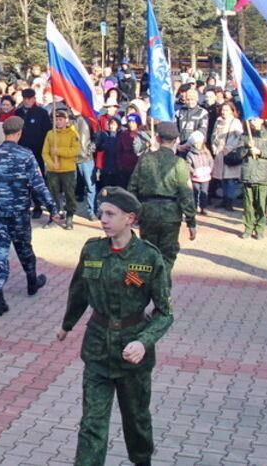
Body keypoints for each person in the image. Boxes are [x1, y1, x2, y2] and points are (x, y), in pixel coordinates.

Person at [56, 187, 173, 466]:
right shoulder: (93, 249)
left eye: (110, 214)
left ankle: (142, 460)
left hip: (132, 353)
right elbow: (79, 291)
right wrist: (67, 325)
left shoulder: (149, 257)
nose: (103, 219)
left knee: (137, 420)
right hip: (97, 349)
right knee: (92, 424)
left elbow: (165, 313)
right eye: (101, 213)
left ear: (129, 218)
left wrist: (144, 341)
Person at [0, 116, 59, 315]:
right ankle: (32, 281)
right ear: (19, 133)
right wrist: (52, 209)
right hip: (19, 211)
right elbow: (38, 184)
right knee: (24, 246)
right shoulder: (26, 155)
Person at [128, 121, 197, 267]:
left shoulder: (145, 159)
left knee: (147, 254)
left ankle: (150, 287)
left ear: (157, 139)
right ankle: (162, 286)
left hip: (147, 213)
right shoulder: (179, 163)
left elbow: (132, 188)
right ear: (175, 141)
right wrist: (191, 222)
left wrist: (131, 214)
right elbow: (186, 194)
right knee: (167, 256)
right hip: (170, 216)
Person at [15, 88, 53, 217]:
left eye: (29, 98)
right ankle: (25, 205)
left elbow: (48, 133)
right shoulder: (18, 112)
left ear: (34, 99)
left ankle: (38, 206)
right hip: (21, 151)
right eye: (25, 98)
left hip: (37, 153)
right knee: (22, 181)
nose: (27, 101)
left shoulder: (41, 113)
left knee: (36, 181)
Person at [240, 117, 267, 239]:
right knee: (248, 204)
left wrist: (260, 152)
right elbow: (238, 154)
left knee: (261, 204)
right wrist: (246, 147)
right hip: (248, 174)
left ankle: (260, 228)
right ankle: (248, 227)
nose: (252, 122)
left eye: (255, 120)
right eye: (251, 120)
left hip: (262, 174)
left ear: (262, 121)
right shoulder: (245, 136)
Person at [43, 108, 82, 229]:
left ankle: (69, 216)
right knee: (53, 194)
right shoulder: (50, 134)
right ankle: (53, 215)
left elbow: (75, 150)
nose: (58, 122)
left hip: (68, 170)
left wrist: (59, 151)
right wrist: (50, 164)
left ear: (66, 120)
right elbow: (45, 152)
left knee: (69, 194)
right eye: (56, 119)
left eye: (61, 119)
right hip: (53, 171)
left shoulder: (72, 133)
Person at [211, 103, 243, 210]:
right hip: (219, 152)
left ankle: (229, 201)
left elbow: (239, 138)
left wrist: (229, 148)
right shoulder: (218, 121)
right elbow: (213, 135)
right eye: (223, 110)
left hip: (230, 153)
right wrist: (214, 148)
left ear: (232, 111)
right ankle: (224, 200)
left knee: (230, 179)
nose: (224, 112)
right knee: (222, 178)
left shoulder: (236, 122)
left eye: (227, 110)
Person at [187, 131, 212, 214]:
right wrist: (193, 171)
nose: (198, 146)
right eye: (196, 144)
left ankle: (204, 207)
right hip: (196, 177)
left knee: (204, 192)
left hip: (205, 177)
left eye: (199, 144)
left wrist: (209, 169)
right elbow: (188, 164)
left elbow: (211, 161)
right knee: (195, 192)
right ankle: (195, 206)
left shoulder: (206, 152)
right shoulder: (190, 154)